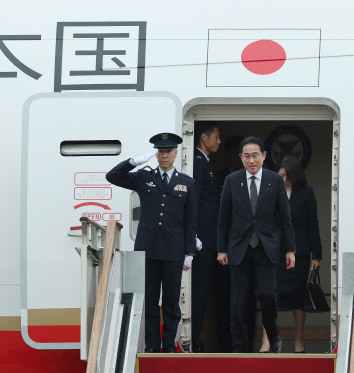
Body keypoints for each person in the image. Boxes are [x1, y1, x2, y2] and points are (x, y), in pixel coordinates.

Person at [106, 132, 199, 353]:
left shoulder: (187, 183)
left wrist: (189, 252)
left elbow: (191, 219)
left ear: (176, 153)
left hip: (174, 249)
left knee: (171, 301)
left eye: (168, 151)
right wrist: (134, 162)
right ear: (155, 153)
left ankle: (168, 345)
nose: (164, 155)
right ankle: (151, 345)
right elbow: (112, 176)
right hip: (147, 249)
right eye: (160, 151)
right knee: (149, 300)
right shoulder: (142, 176)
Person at [216, 136, 296, 353]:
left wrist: (290, 249)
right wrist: (221, 249)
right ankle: (239, 348)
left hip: (266, 248)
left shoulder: (275, 180)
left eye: (255, 155)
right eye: (247, 156)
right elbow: (223, 219)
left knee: (267, 294)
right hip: (238, 249)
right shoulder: (232, 181)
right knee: (238, 303)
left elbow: (285, 218)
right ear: (241, 158)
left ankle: (273, 335)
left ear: (264, 156)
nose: (251, 160)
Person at [260, 155, 322, 353]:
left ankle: (298, 340)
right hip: (274, 253)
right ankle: (267, 341)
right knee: (270, 295)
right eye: (280, 175)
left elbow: (312, 224)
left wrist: (317, 255)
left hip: (300, 253)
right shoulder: (270, 191)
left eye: (287, 175)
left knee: (297, 298)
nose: (283, 179)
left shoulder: (306, 193)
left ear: (296, 175)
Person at [190, 121, 231, 352]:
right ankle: (194, 339)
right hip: (202, 240)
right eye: (216, 136)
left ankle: (196, 338)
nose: (219, 141)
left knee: (204, 289)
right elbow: (195, 201)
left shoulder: (205, 163)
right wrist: (194, 235)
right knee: (200, 290)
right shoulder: (197, 163)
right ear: (203, 138)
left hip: (209, 238)